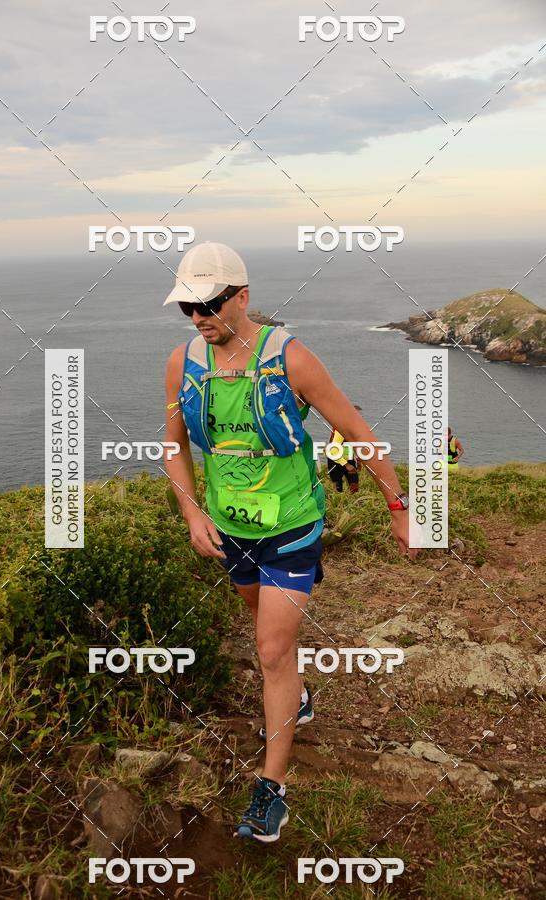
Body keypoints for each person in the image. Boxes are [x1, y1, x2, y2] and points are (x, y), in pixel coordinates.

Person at [163, 242, 417, 843]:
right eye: (188, 307)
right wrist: (192, 511)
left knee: (272, 650)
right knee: (267, 635)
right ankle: (297, 696)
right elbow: (174, 443)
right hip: (230, 530)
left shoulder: (292, 360)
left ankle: (270, 788)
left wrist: (398, 509)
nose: (200, 316)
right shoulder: (183, 363)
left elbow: (357, 434)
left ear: (243, 297)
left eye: (210, 303)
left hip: (293, 527)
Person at [326, 419, 361, 494]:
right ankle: (339, 504)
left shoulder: (354, 430)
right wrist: (346, 465)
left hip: (348, 457)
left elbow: (355, 445)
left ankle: (354, 502)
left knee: (354, 484)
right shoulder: (340, 430)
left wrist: (359, 460)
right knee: (338, 488)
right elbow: (333, 451)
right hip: (335, 460)